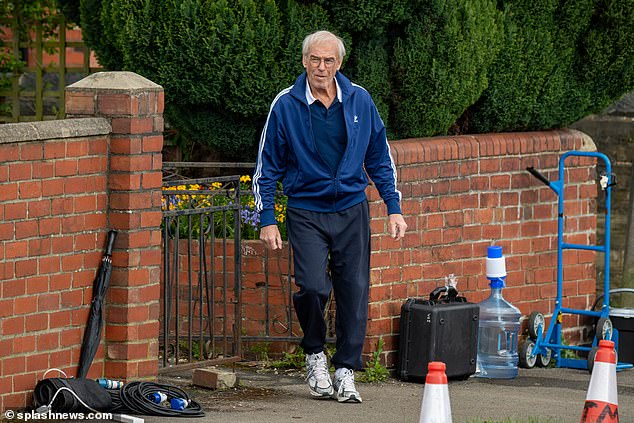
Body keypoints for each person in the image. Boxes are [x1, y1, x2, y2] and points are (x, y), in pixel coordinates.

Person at [253, 30, 407, 403]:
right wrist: (267, 218)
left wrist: (394, 207)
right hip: (307, 211)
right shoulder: (286, 104)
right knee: (313, 288)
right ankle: (315, 354)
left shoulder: (359, 100)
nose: (321, 67)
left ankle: (346, 370)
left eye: (329, 61)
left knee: (353, 292)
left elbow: (379, 158)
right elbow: (266, 167)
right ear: (305, 62)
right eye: (315, 60)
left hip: (352, 210)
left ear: (339, 64)